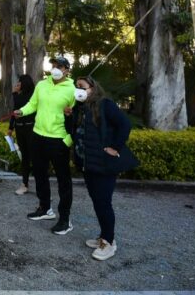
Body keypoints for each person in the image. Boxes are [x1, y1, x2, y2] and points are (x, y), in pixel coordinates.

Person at [68, 76, 131, 261]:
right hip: (88, 165)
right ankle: (104, 235)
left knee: (103, 203)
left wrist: (115, 148)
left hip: (103, 164)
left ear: (93, 87)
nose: (78, 89)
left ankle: (109, 242)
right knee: (97, 201)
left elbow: (125, 124)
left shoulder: (105, 104)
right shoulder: (81, 109)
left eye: (81, 86)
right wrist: (68, 116)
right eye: (76, 86)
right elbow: (75, 133)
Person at [14, 56, 76, 235]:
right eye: (53, 66)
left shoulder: (72, 89)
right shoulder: (42, 85)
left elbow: (77, 116)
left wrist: (68, 140)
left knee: (63, 180)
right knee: (40, 173)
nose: (55, 69)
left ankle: (65, 219)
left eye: (59, 66)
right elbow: (33, 104)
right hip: (38, 135)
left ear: (66, 70)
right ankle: (45, 208)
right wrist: (21, 111)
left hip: (59, 139)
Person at [7, 74, 36, 195]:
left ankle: (41, 186)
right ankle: (24, 184)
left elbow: (21, 104)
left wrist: (14, 93)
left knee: (35, 157)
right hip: (20, 129)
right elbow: (15, 110)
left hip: (30, 128)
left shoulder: (31, 96)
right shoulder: (19, 95)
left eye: (19, 84)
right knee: (24, 157)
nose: (16, 86)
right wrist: (10, 127)